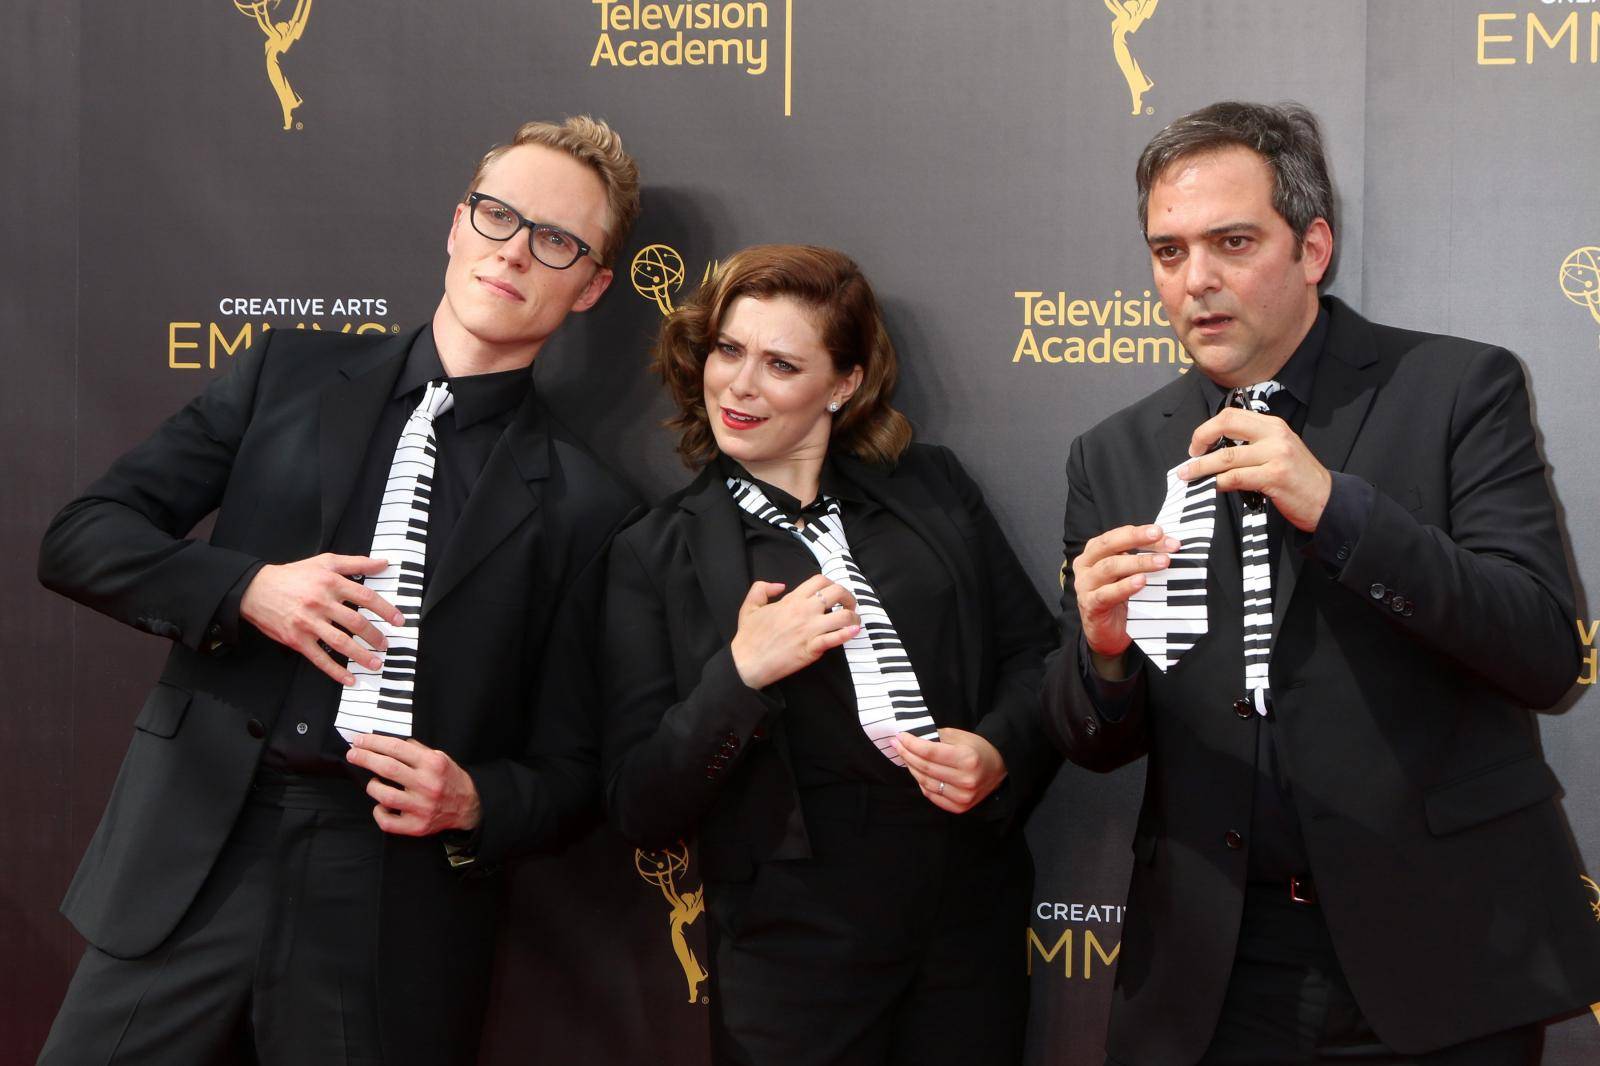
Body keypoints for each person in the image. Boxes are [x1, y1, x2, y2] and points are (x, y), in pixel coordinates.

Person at [37, 116, 641, 1066]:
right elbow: (81, 538)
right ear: (456, 225)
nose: (515, 253)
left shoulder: (590, 504)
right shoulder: (287, 373)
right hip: (195, 853)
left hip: (387, 898)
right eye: (498, 217)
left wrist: (478, 797)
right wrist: (247, 589)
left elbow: (576, 771)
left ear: (592, 285)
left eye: (556, 240)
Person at [1042, 100, 1600, 1065]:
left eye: (1231, 241)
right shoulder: (1115, 451)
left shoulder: (1459, 389)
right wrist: (1102, 658)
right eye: (1168, 252)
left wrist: (1338, 509)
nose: (1197, 281)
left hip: (1446, 951)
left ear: (1313, 247)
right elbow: (1094, 741)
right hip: (1214, 968)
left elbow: (1548, 654)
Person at [603, 244, 1057, 1065]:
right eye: (729, 351)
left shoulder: (932, 488)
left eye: (781, 364)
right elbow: (639, 802)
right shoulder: (653, 552)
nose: (739, 386)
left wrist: (998, 750)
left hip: (966, 921)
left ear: (843, 384)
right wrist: (738, 676)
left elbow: (1036, 656)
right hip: (794, 954)